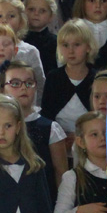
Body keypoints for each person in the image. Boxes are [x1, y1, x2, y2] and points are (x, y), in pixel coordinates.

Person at [0, 60, 67, 198]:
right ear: (2, 89)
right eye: (15, 83)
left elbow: (61, 173)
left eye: (29, 83)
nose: (23, 88)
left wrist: (61, 207)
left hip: (43, 200)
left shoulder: (50, 128)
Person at [40, 19, 97, 151]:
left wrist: (81, 137)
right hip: (58, 142)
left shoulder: (96, 79)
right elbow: (47, 115)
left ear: (88, 47)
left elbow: (101, 116)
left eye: (77, 45)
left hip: (90, 143)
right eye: (65, 45)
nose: (71, 51)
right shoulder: (54, 78)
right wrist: (60, 136)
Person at [23, 0, 60, 75]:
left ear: (51, 16)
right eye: (31, 9)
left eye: (42, 11)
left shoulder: (57, 42)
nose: (36, 14)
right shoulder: (17, 40)